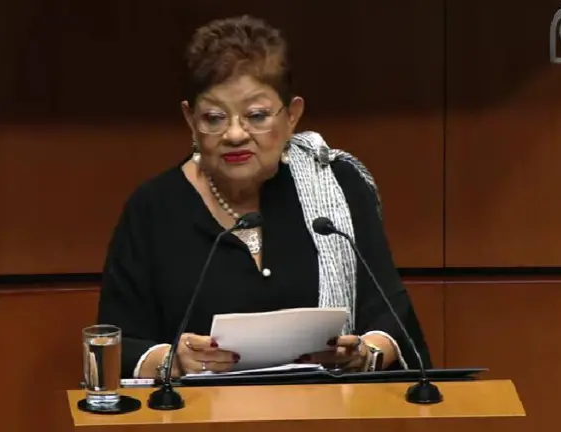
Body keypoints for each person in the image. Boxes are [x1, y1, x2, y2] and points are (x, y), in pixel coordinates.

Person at [97, 15, 432, 379]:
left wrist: (363, 354)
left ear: (292, 116)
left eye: (256, 116)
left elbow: (392, 323)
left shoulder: (338, 189)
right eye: (214, 118)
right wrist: (170, 361)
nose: (236, 134)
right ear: (190, 120)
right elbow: (115, 346)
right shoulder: (153, 211)